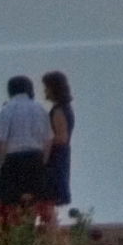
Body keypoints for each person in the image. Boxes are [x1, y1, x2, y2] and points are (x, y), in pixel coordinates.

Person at [0, 73, 53, 225]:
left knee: (12, 202)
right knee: (30, 202)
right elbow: (48, 140)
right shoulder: (40, 109)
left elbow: (1, 142)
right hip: (36, 157)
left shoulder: (8, 109)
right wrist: (43, 162)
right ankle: (27, 237)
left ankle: (12, 238)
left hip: (13, 160)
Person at [38, 71, 76, 218]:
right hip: (60, 156)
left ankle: (51, 235)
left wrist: (43, 141)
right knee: (48, 202)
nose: (45, 91)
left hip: (56, 158)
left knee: (49, 199)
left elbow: (62, 138)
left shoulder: (59, 110)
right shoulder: (65, 108)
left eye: (46, 87)